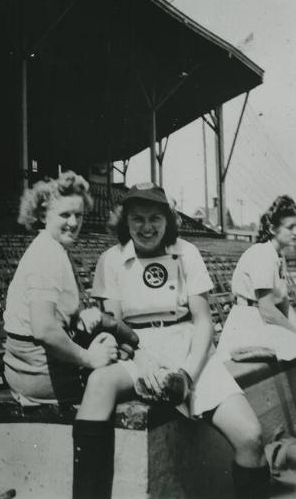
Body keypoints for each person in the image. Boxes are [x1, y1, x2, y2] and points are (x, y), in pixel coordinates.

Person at [90, 183, 270, 499]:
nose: (146, 227)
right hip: (138, 349)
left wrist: (187, 374)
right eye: (137, 218)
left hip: (188, 345)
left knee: (251, 437)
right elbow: (116, 327)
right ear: (126, 220)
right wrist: (141, 361)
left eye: (155, 218)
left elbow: (203, 321)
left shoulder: (187, 252)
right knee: (101, 383)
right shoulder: (112, 259)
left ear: (168, 219)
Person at [3, 171, 139, 499]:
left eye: (79, 215)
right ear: (41, 215)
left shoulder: (53, 248)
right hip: (36, 370)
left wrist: (84, 318)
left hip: (31, 364)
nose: (73, 223)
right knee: (108, 373)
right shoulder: (46, 255)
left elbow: (58, 318)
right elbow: (45, 329)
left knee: (113, 345)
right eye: (64, 215)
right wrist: (88, 358)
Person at [217, 195, 296, 362]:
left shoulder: (278, 256)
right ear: (274, 229)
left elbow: (284, 305)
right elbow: (267, 310)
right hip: (249, 322)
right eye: (291, 227)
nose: (295, 232)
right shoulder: (262, 254)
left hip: (262, 322)